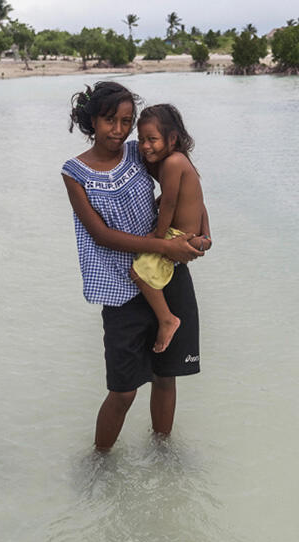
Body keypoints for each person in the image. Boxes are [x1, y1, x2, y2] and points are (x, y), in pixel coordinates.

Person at [60, 82, 210, 451]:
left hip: (167, 275)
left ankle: (163, 454)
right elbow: (101, 235)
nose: (119, 130)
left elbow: (186, 185)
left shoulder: (140, 152)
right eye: (110, 120)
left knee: (166, 376)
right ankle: (100, 462)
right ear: (91, 120)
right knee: (123, 391)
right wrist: (164, 245)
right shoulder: (74, 172)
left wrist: (204, 232)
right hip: (120, 288)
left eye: (126, 121)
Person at [130, 104, 211, 353]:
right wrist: (205, 234)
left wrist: (157, 237)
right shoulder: (179, 161)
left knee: (138, 272)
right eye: (141, 139)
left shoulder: (173, 163)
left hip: (177, 235)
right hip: (191, 232)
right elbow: (197, 200)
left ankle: (167, 319)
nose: (145, 146)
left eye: (152, 139)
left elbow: (170, 202)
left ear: (172, 138)